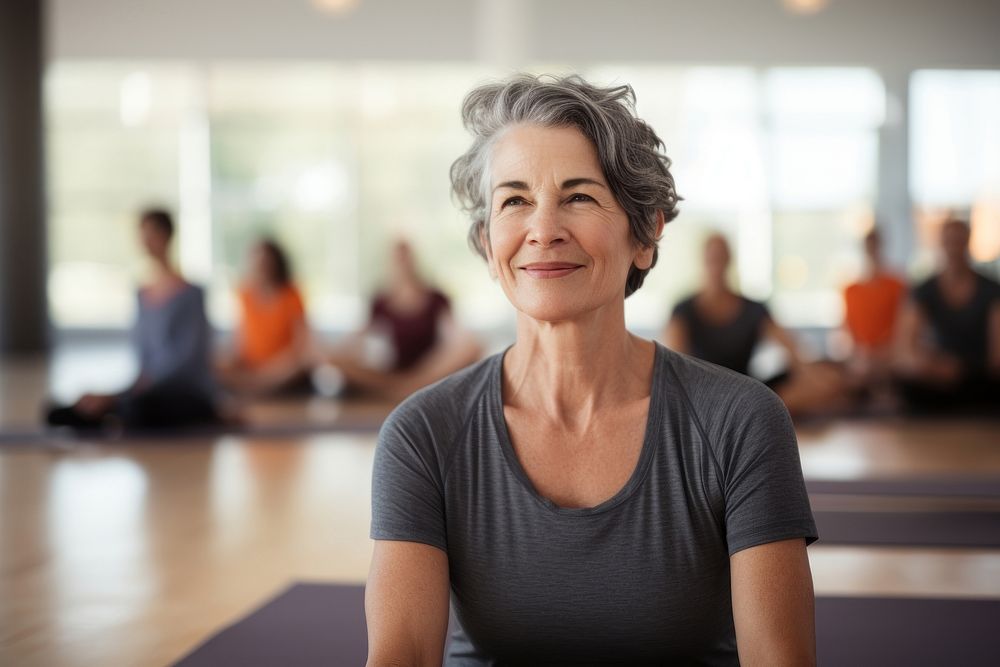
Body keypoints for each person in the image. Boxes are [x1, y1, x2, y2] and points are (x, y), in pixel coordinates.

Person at [366, 75, 817, 666]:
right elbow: (402, 656)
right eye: (514, 200)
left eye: (578, 196)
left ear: (646, 232)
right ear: (486, 241)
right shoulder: (423, 434)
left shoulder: (741, 422)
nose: (543, 229)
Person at [46, 209, 219, 431]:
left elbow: (189, 358)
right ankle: (103, 410)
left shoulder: (191, 293)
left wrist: (131, 391)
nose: (146, 241)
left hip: (183, 390)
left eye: (152, 233)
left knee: (138, 407)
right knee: (61, 410)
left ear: (167, 236)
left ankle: (111, 411)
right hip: (147, 388)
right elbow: (143, 359)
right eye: (142, 234)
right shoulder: (142, 294)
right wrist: (125, 390)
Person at [663, 233, 846, 417]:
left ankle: (743, 414)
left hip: (746, 395)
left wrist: (822, 380)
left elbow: (795, 354)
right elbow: (674, 369)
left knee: (824, 383)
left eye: (720, 257)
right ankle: (741, 415)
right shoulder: (683, 311)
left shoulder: (754, 309)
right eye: (712, 258)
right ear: (703, 260)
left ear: (729, 259)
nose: (716, 264)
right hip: (702, 397)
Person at [318, 240, 481, 400]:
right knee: (334, 359)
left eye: (405, 256)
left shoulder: (436, 298)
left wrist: (464, 344)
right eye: (397, 257)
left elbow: (454, 334)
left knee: (470, 347)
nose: (402, 262)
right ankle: (403, 388)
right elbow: (360, 337)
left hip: (429, 369)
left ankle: (410, 387)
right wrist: (334, 354)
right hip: (391, 373)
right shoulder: (381, 301)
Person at [894, 218, 1000, 412]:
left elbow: (996, 356)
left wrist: (963, 369)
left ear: (967, 242)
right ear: (941, 244)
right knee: (905, 384)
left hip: (978, 376)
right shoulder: (925, 290)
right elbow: (905, 349)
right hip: (937, 374)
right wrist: (930, 365)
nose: (954, 248)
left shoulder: (991, 290)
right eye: (949, 241)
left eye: (959, 241)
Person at [218, 238, 315, 395]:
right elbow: (240, 340)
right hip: (251, 365)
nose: (261, 266)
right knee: (217, 362)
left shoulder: (291, 294)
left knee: (301, 362)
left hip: (285, 366)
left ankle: (256, 386)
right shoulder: (244, 294)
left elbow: (301, 344)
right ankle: (257, 385)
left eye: (266, 261)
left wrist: (272, 368)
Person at [842, 227, 907, 390]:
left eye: (875, 245)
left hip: (891, 353)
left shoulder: (897, 286)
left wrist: (886, 351)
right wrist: (861, 352)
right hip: (862, 355)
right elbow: (849, 330)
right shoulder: (851, 290)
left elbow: (904, 326)